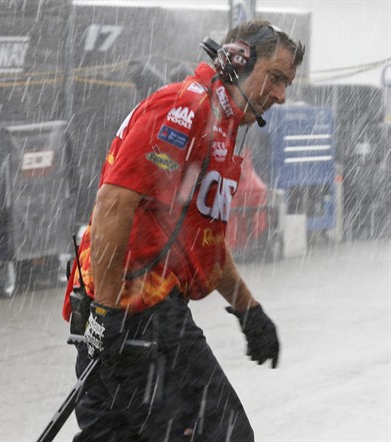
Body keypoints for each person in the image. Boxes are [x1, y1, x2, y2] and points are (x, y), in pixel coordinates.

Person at [62, 18, 305, 441]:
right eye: (276, 78)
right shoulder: (186, 108)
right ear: (238, 61)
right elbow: (113, 204)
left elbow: (204, 244)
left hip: (128, 318)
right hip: (139, 316)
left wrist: (248, 310)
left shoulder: (220, 127)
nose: (281, 96)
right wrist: (106, 313)